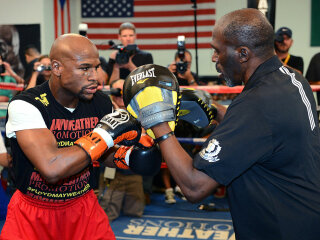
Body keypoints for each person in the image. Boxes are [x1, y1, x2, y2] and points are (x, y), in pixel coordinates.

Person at [124, 8, 320, 240]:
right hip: (305, 216)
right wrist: (216, 109)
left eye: (217, 51)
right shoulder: (293, 79)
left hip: (279, 229)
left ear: (243, 53)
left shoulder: (255, 104)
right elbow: (262, 132)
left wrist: (156, 120)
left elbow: (195, 186)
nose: (214, 58)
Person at [0, 33, 147, 240]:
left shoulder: (100, 102)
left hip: (83, 207)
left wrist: (129, 157)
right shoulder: (26, 105)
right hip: (33, 213)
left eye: (96, 67)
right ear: (57, 68)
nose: (95, 76)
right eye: (85, 68)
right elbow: (51, 167)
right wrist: (105, 133)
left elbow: (101, 152)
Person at [99, 78, 145, 221]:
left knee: (136, 212)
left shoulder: (139, 111)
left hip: (133, 169)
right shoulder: (104, 110)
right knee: (108, 214)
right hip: (112, 169)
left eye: (123, 91)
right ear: (112, 93)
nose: (120, 95)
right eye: (117, 91)